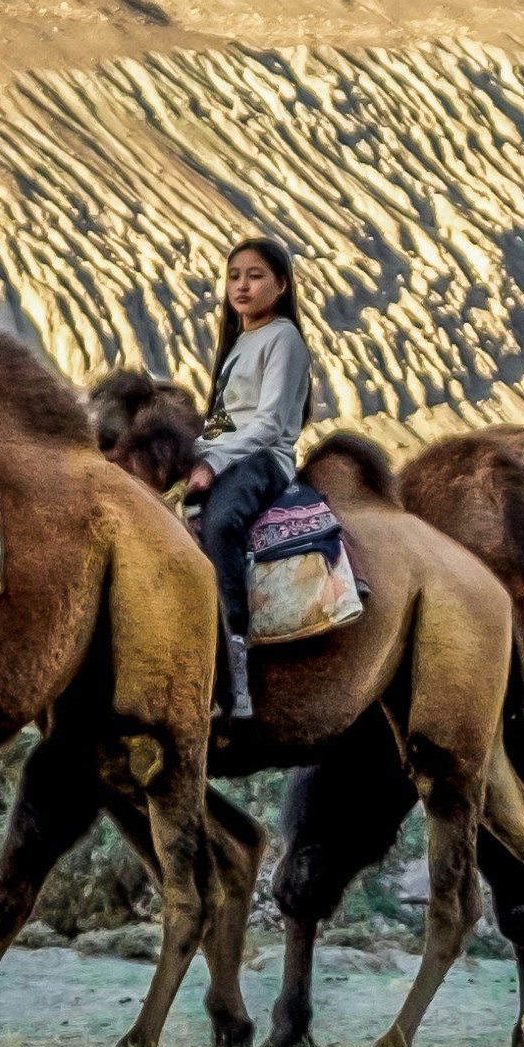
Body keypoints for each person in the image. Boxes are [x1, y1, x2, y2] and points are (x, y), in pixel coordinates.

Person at [192, 236, 314, 721]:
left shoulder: (283, 338)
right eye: (234, 275)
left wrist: (212, 461)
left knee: (221, 524)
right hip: (225, 451)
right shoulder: (240, 342)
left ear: (281, 286)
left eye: (256, 275)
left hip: (263, 460)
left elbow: (265, 425)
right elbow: (224, 419)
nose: (242, 285)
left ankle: (234, 665)